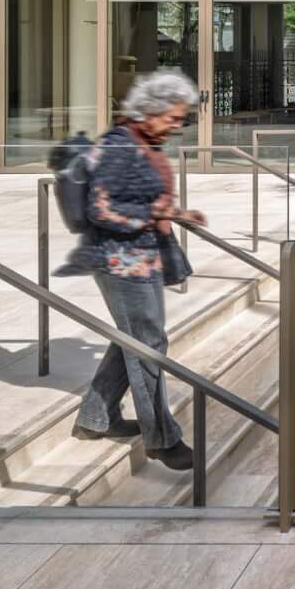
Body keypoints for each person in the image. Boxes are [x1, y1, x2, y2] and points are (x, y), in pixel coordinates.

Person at [64, 70, 207, 472]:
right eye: (172, 118)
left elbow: (139, 198)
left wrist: (174, 213)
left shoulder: (143, 144)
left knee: (137, 337)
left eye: (181, 119)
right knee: (147, 343)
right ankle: (161, 439)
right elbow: (102, 210)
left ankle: (96, 416)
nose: (177, 126)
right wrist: (155, 214)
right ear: (149, 110)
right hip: (120, 258)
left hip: (140, 254)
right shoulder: (120, 147)